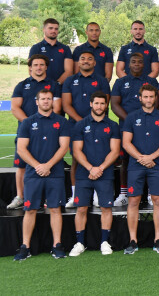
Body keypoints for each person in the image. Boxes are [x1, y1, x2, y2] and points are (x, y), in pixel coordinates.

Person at [13, 89, 70, 261]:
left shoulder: (61, 122)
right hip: (33, 173)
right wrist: (38, 166)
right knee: (29, 210)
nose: (46, 101)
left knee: (54, 209)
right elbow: (21, 149)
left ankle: (57, 245)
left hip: (55, 173)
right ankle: (25, 247)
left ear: (53, 101)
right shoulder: (27, 122)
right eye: (43, 99)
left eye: (49, 99)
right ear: (36, 102)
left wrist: (48, 166)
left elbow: (64, 147)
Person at [122, 84, 159, 254]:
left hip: (156, 166)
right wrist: (141, 158)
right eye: (146, 97)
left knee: (158, 201)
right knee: (133, 201)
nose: (149, 100)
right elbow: (126, 143)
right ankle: (132, 240)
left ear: (155, 98)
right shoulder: (131, 117)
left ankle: (158, 240)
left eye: (152, 97)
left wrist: (151, 157)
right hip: (136, 166)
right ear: (140, 98)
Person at [69, 91, 120, 256]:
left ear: (106, 105)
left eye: (102, 103)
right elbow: (76, 151)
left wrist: (100, 168)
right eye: (96, 103)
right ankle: (79, 243)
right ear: (91, 104)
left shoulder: (113, 126)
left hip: (105, 174)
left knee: (106, 208)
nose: (99, 106)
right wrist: (91, 168)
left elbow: (115, 151)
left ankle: (104, 242)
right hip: (84, 174)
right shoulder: (80, 125)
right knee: (81, 208)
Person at [7, 55, 61, 210]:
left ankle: (45, 199)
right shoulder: (21, 86)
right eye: (35, 65)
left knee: (47, 164)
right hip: (26, 133)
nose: (38, 67)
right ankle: (20, 197)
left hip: (50, 133)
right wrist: (30, 125)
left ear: (46, 67)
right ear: (30, 68)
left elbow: (56, 108)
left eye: (42, 65)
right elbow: (15, 108)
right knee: (22, 165)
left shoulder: (54, 85)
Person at [62, 51, 111, 208]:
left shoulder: (102, 81)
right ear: (78, 62)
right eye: (82, 59)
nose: (86, 61)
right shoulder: (70, 81)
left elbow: (105, 103)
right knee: (76, 159)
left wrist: (92, 121)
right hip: (76, 126)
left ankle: (98, 194)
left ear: (95, 63)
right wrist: (82, 122)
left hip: (99, 125)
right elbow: (66, 105)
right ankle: (75, 194)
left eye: (90, 59)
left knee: (99, 158)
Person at [111, 53, 158, 207]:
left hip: (149, 126)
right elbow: (115, 104)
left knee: (151, 157)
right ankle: (124, 193)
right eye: (133, 62)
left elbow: (156, 104)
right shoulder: (120, 82)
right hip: (126, 127)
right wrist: (131, 121)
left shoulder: (151, 81)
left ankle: (152, 192)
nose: (136, 64)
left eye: (139, 62)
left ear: (143, 65)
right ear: (127, 65)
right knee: (126, 160)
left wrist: (144, 120)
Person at [28, 18, 73, 84]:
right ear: (44, 29)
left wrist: (56, 84)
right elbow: (31, 70)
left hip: (60, 87)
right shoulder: (36, 48)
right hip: (41, 88)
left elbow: (69, 71)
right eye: (50, 28)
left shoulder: (65, 48)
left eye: (56, 29)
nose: (53, 31)